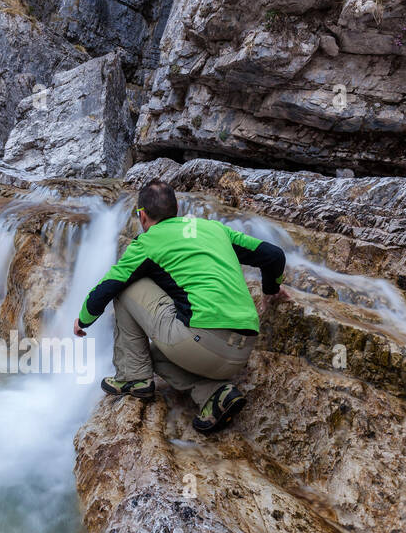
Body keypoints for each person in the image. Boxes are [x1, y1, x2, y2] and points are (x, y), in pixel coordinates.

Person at [72, 179, 290, 433]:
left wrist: (83, 319)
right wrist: (270, 291)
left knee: (126, 288)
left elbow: (109, 285)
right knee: (152, 356)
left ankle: (132, 379)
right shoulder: (214, 229)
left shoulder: (148, 242)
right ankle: (215, 394)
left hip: (200, 345)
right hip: (241, 351)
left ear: (142, 216)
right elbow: (275, 255)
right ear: (176, 208)